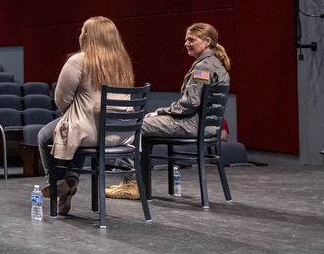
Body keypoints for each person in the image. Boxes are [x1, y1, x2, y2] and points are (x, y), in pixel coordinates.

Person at [105, 22, 231, 200]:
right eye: (186, 39)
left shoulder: (203, 68)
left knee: (133, 125)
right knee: (139, 125)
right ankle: (133, 182)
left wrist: (160, 112)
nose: (186, 43)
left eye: (191, 40)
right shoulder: (214, 64)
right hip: (204, 125)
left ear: (207, 41)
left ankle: (130, 184)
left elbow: (189, 104)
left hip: (192, 124)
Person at [36, 17, 134, 214]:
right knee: (74, 129)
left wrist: (73, 114)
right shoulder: (123, 63)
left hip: (88, 132)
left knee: (45, 136)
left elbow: (61, 99)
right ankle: (71, 175)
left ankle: (58, 183)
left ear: (88, 36)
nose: (80, 34)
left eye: (82, 31)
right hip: (120, 135)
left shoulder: (79, 60)